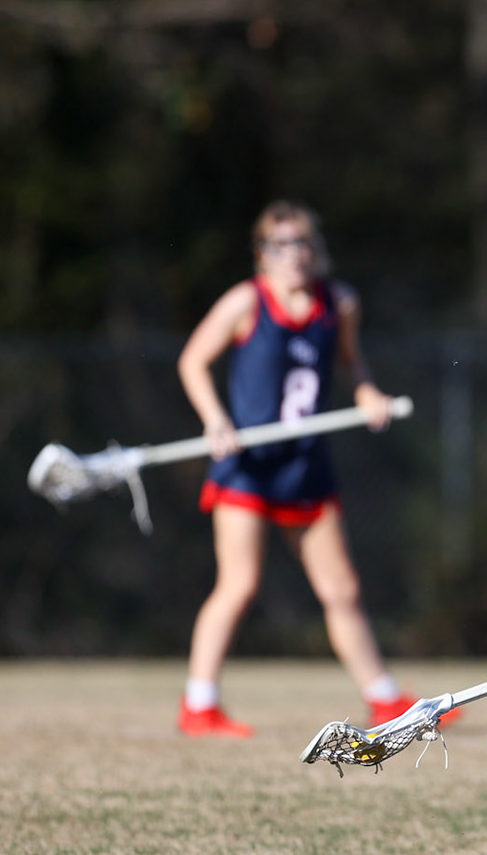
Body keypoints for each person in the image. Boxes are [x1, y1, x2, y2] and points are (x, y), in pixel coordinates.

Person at [174, 201, 429, 737]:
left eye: (301, 244)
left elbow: (350, 363)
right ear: (262, 255)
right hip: (248, 466)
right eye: (279, 246)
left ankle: (385, 701)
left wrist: (367, 394)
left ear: (316, 250)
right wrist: (215, 419)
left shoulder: (339, 303)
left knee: (341, 589)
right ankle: (200, 705)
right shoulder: (246, 302)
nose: (292, 256)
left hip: (305, 465)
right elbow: (192, 361)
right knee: (239, 584)